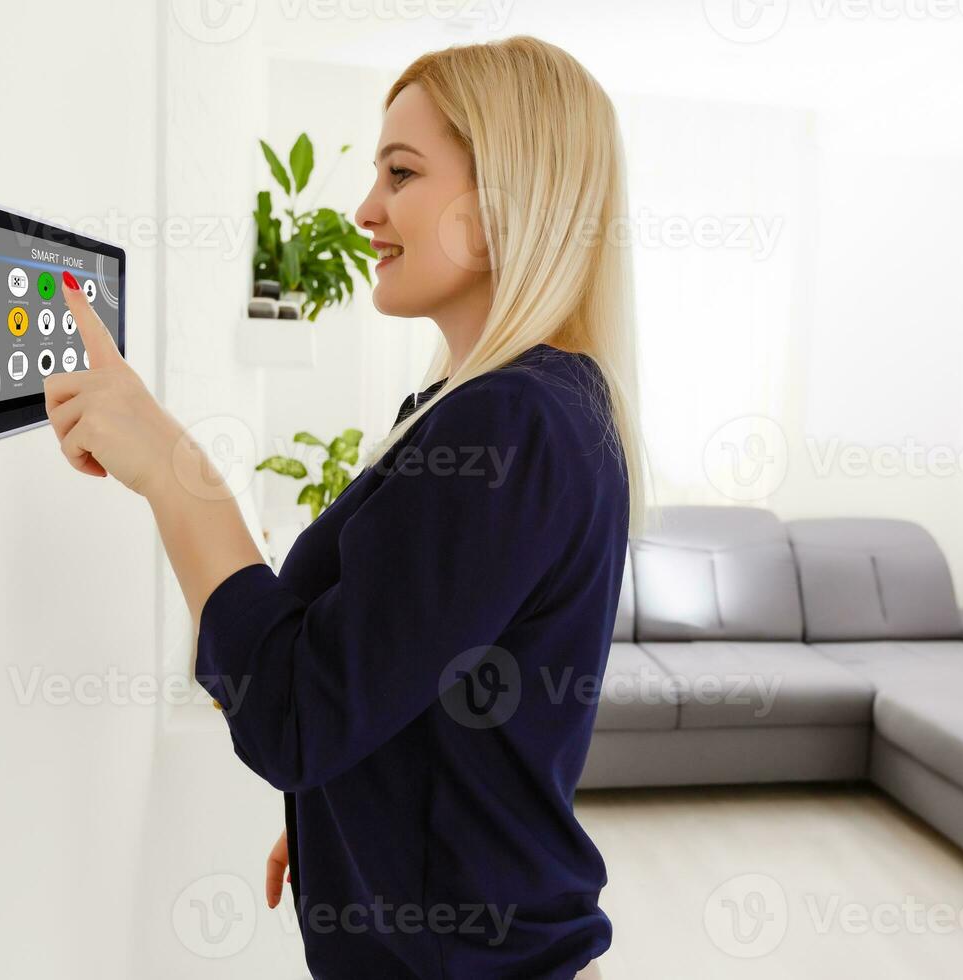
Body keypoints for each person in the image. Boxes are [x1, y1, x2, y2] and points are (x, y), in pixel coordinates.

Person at [41, 34, 646, 980]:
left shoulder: (512, 424)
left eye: (401, 174)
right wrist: (353, 822)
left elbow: (294, 715)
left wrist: (171, 467)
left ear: (506, 204)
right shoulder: (526, 409)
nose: (365, 211)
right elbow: (410, 666)